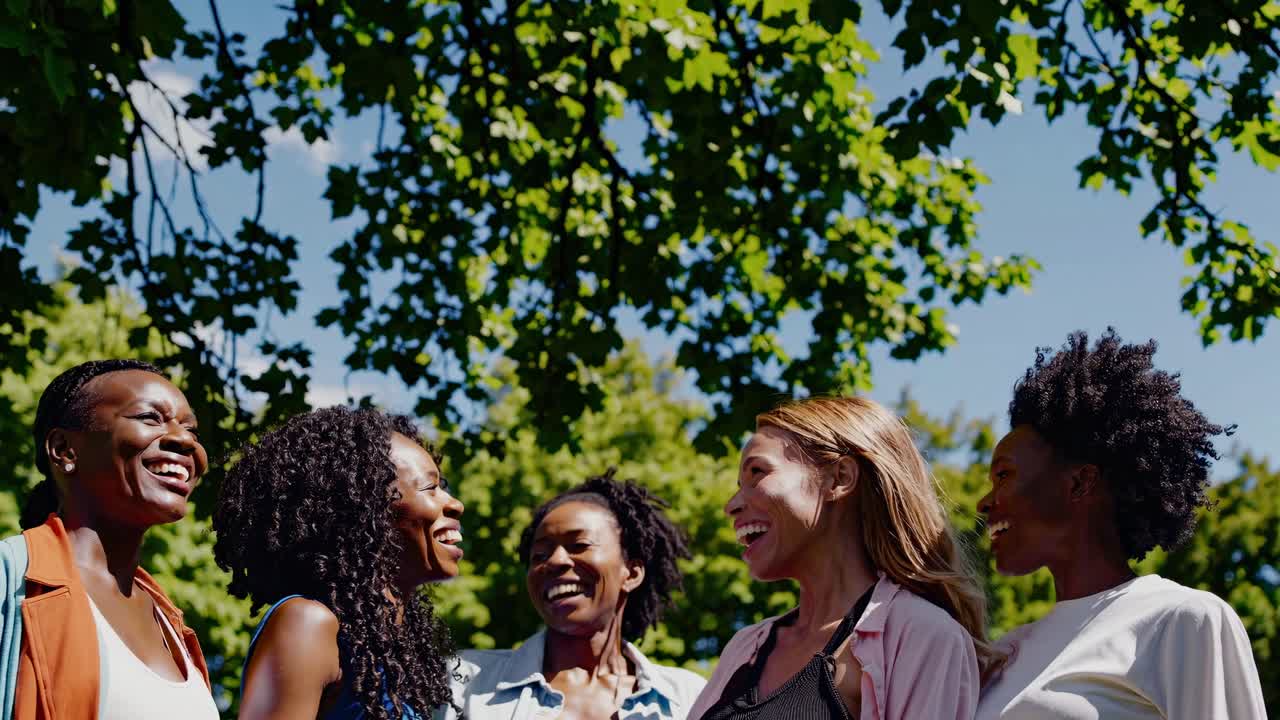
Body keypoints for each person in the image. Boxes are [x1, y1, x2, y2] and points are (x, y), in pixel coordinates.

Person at [975, 329, 1267, 719]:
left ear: (1079, 483)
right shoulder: (1006, 653)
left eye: (1003, 476)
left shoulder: (1182, 620)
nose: (983, 502)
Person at [690, 396, 996, 720]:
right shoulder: (745, 646)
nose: (732, 504)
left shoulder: (922, 636)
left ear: (839, 478)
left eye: (758, 472)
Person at [0, 359, 218, 719]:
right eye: (150, 418)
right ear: (64, 450)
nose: (184, 440)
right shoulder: (13, 579)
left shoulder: (172, 623)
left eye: (191, 430)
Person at [214, 407, 464, 720]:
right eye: (431, 488)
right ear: (365, 508)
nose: (455, 504)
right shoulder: (307, 623)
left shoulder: (388, 650)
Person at [444, 469, 707, 719]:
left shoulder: (688, 698)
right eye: (540, 555)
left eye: (579, 545)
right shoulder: (463, 681)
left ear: (632, 573)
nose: (556, 561)